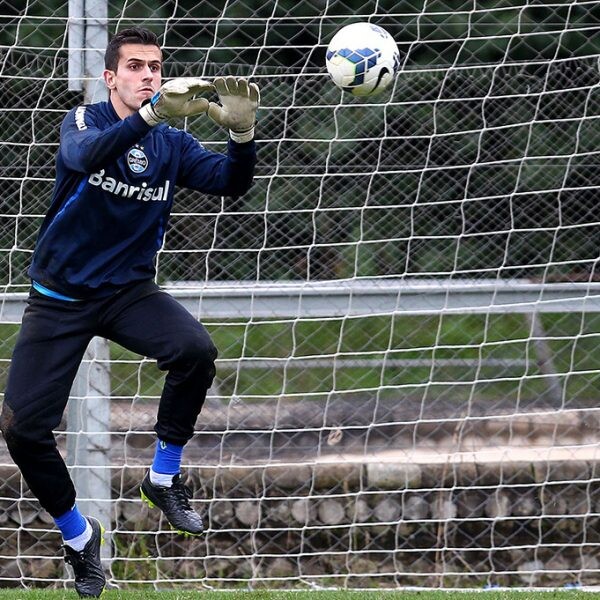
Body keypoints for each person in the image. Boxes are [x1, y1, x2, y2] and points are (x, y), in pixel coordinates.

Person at [0, 27, 258, 598]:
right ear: (110, 77)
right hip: (60, 299)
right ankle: (77, 536)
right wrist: (143, 120)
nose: (148, 75)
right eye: (136, 66)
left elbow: (231, 184)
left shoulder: (171, 143)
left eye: (156, 67)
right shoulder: (86, 121)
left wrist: (243, 134)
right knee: (23, 431)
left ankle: (163, 478)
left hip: (128, 293)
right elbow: (82, 155)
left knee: (195, 351)